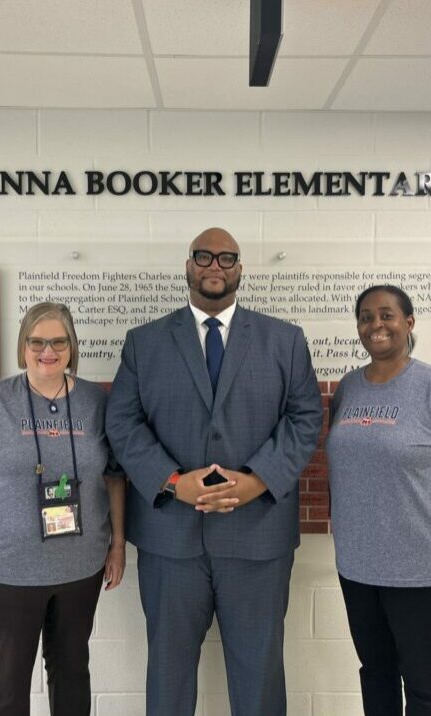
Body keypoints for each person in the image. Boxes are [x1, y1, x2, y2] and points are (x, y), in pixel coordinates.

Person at [105, 227, 323, 716]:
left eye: (227, 258)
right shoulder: (144, 343)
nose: (215, 266)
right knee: (168, 673)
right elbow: (122, 422)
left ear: (241, 270)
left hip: (258, 539)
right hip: (170, 540)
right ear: (188, 267)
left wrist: (258, 479)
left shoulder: (284, 341)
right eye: (204, 257)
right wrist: (173, 482)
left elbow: (306, 417)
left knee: (260, 673)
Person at [0, 302, 127, 716]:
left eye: (58, 341)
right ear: (22, 346)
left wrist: (116, 546)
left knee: (72, 676)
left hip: (80, 570)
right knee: (6, 685)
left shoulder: (95, 404)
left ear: (72, 346)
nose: (48, 350)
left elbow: (115, 477)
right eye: (37, 341)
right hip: (6, 573)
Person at [326, 285, 431, 716]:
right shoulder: (348, 389)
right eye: (365, 317)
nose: (375, 325)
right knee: (376, 673)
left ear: (409, 322)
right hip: (358, 566)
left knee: (425, 686)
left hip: (420, 568)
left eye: (386, 315)